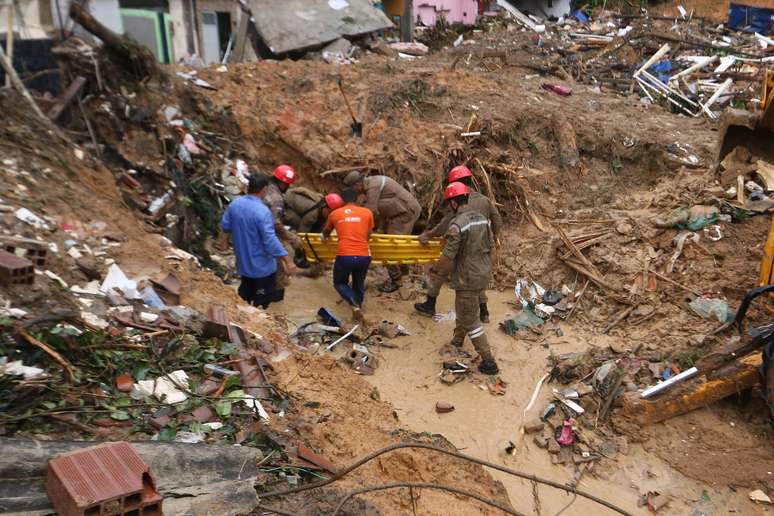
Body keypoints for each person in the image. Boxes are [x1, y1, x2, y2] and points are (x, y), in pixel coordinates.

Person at [415, 165, 502, 323]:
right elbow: (497, 221)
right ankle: (484, 312)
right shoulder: (484, 200)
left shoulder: (459, 199)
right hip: (481, 246)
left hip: (460, 245)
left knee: (440, 273)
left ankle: (430, 304)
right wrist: (492, 238)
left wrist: (428, 234)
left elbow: (446, 223)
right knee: (477, 277)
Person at [434, 181, 499, 375]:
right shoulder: (481, 219)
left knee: (470, 319)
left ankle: (489, 361)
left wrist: (436, 270)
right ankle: (457, 341)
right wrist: (489, 270)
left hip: (467, 277)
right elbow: (492, 247)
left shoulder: (457, 224)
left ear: (453, 203)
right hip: (482, 273)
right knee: (464, 309)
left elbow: (448, 255)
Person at [221, 174, 296, 308]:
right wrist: (288, 260)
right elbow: (270, 240)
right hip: (262, 268)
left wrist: (224, 243)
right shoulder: (262, 211)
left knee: (244, 298)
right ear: (264, 190)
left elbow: (226, 227)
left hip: (243, 265)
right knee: (261, 305)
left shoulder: (235, 204)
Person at [343, 171, 420, 293]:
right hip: (399, 212)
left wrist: (355, 229)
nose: (354, 192)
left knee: (390, 246)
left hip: (405, 213)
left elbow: (370, 211)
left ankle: (396, 281)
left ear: (358, 184)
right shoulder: (372, 183)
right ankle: (404, 272)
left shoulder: (373, 186)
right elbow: (383, 207)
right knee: (395, 244)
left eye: (353, 188)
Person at [322, 189, 374, 321]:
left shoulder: (335, 214)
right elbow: (369, 234)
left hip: (345, 255)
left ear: (342, 201)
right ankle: (358, 312)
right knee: (359, 283)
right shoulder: (367, 213)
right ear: (357, 199)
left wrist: (324, 237)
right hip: (364, 255)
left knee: (339, 283)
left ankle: (354, 305)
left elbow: (326, 232)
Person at [264, 164, 303, 300]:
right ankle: (275, 301)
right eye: (288, 185)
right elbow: (276, 223)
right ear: (282, 183)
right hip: (268, 235)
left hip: (254, 233)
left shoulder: (264, 189)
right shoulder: (277, 198)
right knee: (279, 272)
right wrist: (290, 237)